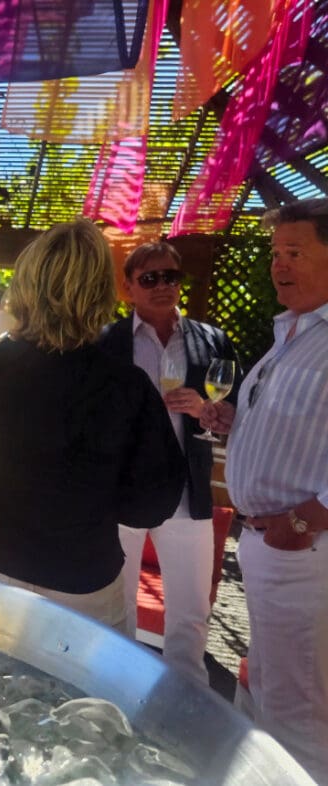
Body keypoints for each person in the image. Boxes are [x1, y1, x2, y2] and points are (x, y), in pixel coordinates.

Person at [0, 219, 186, 631]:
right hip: (81, 572)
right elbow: (153, 502)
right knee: (78, 677)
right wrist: (95, 496)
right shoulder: (125, 386)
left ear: (26, 285)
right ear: (101, 293)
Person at [201, 198, 328, 783]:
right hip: (275, 547)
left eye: (294, 252)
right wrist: (238, 421)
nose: (279, 265)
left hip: (302, 551)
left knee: (299, 716)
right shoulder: (294, 331)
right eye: (276, 253)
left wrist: (305, 521)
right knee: (271, 691)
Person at [97, 241, 240, 686]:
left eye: (171, 277)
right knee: (115, 606)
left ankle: (186, 698)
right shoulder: (106, 341)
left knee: (191, 614)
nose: (162, 285)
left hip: (187, 493)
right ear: (128, 287)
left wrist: (208, 411)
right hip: (123, 494)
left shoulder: (211, 340)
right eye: (149, 278)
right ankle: (115, 689)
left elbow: (237, 411)